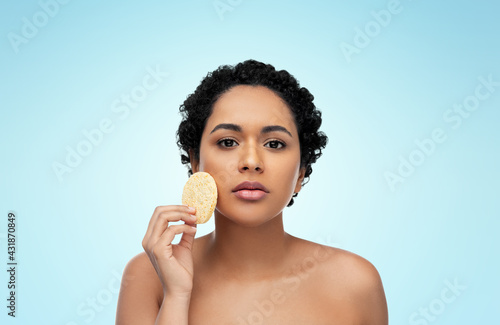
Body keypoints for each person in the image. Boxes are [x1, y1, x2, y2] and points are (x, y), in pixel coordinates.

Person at [115, 59, 388, 324]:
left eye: (274, 144)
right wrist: (176, 295)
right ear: (196, 162)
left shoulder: (356, 283)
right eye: (228, 141)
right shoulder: (148, 275)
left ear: (301, 172)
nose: (251, 162)